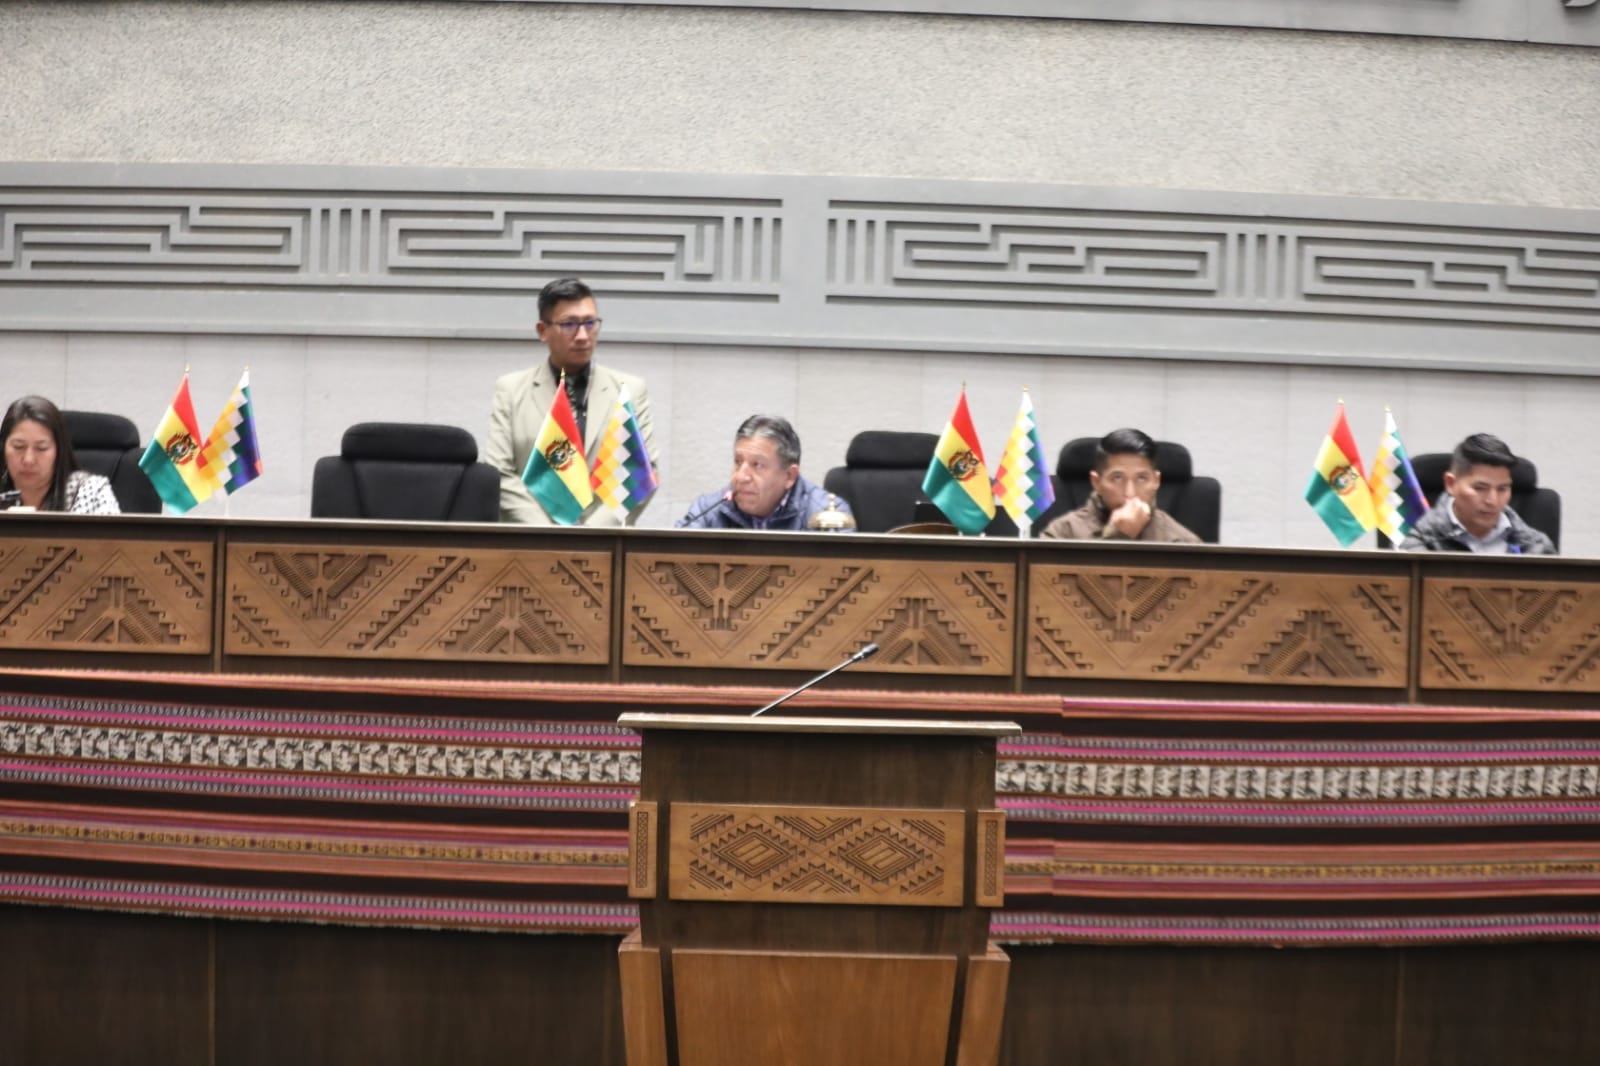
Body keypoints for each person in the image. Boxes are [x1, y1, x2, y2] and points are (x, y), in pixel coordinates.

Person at [484, 277, 656, 525]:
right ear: (543, 331)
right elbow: (499, 473)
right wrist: (552, 537)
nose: (583, 335)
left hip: (604, 544)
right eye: (569, 325)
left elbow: (639, 472)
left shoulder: (629, 390)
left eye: (590, 323)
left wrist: (590, 535)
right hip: (532, 543)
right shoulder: (510, 390)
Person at [677, 414, 854, 531]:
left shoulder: (828, 516)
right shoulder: (708, 511)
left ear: (789, 476)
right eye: (738, 462)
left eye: (757, 465)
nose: (741, 477)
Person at [1399, 433, 1555, 555]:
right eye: (1480, 488)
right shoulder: (1417, 544)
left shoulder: (1537, 547)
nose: (1492, 501)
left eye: (1502, 489)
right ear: (1451, 484)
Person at [1039, 428, 1198, 543]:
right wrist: (1119, 536)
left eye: (1141, 478)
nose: (1130, 493)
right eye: (1117, 478)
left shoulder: (1182, 542)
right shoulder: (1062, 534)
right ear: (1096, 482)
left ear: (1156, 481)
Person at [1, 395, 120, 515]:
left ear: (59, 450)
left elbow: (115, 534)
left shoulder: (92, 491)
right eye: (18, 446)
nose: (28, 460)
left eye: (41, 448)